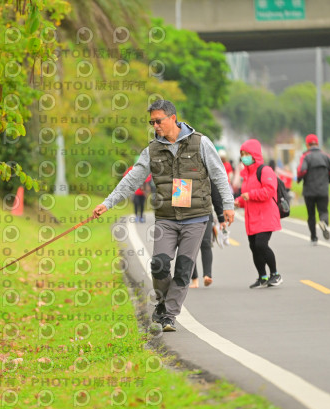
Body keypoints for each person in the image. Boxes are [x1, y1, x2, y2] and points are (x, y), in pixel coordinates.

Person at [92, 100, 235, 332]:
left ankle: (169, 315)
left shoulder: (200, 142)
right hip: (166, 218)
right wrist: (107, 203)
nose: (155, 125)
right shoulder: (152, 150)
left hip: (196, 217)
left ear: (172, 118)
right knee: (159, 265)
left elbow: (218, 175)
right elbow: (131, 180)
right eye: (152, 122)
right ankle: (162, 301)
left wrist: (227, 205)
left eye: (158, 121)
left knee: (183, 269)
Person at [234, 139, 283, 289]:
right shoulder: (247, 174)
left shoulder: (265, 171)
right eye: (242, 154)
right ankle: (262, 276)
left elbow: (269, 190)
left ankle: (275, 274)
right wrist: (239, 201)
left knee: (261, 244)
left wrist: (251, 195)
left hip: (265, 216)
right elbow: (246, 196)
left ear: (255, 155)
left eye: (247, 154)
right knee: (254, 247)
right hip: (252, 217)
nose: (244, 157)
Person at [297, 134, 330, 245]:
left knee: (311, 214)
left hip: (309, 191)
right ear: (317, 144)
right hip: (323, 190)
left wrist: (299, 179)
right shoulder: (327, 156)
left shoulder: (305, 156)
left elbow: (302, 171)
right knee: (323, 211)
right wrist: (327, 181)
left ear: (307, 145)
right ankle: (323, 222)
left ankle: (314, 237)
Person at [189, 181, 226, 288]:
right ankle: (194, 279)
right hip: (187, 216)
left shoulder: (207, 175)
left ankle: (207, 275)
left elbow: (216, 197)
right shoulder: (181, 173)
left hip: (205, 214)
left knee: (206, 243)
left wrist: (221, 218)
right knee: (190, 247)